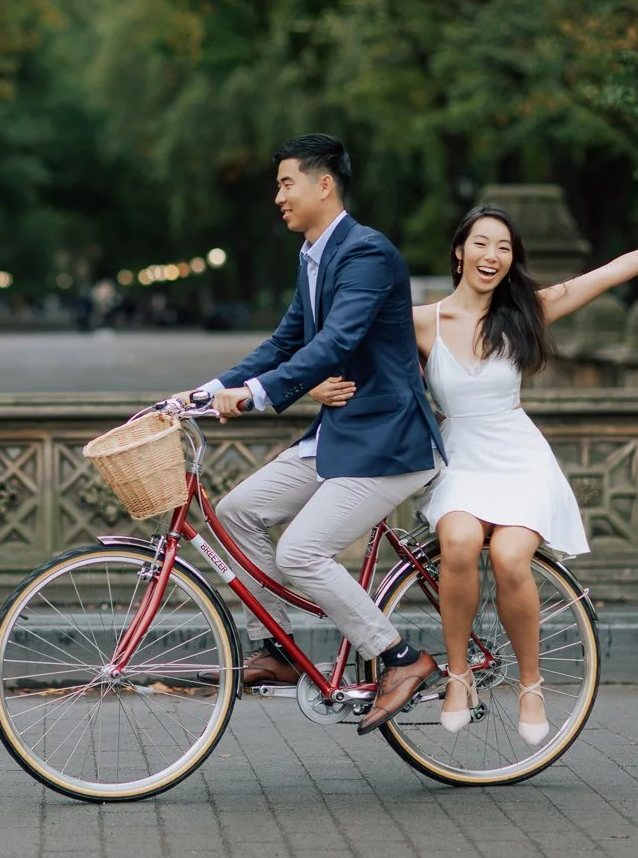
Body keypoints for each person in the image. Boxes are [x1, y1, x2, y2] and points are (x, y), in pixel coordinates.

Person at [399, 204, 638, 744]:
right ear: (459, 251)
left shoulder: (526, 310)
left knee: (508, 556)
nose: (493, 256)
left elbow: (613, 270)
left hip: (520, 460)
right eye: (482, 244)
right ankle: (458, 675)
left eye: (504, 247)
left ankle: (531, 683)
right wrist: (309, 387)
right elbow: (352, 344)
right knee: (456, 542)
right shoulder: (421, 321)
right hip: (462, 459)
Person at [187, 133, 448, 736]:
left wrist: (253, 395)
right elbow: (285, 343)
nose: (278, 197)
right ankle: (276, 646)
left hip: (390, 441)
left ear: (323, 184)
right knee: (236, 513)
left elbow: (335, 345)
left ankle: (400, 658)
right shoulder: (312, 256)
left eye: (286, 183)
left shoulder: (367, 254)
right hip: (340, 433)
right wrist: (202, 392)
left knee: (300, 551)